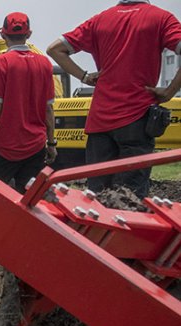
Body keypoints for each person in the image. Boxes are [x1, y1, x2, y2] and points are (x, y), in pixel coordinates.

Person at [47, 1, 181, 199]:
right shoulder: (161, 18)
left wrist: (84, 77)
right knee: (131, 197)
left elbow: (54, 49)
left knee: (96, 196)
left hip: (100, 121)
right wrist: (170, 91)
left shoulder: (100, 20)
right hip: (137, 118)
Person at [0, 12, 57, 192]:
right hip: (35, 146)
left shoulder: (1, 62)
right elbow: (48, 109)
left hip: (5, 148)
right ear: (29, 34)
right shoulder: (44, 64)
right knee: (31, 201)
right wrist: (51, 144)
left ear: (3, 35)